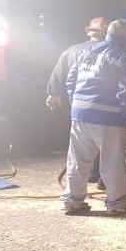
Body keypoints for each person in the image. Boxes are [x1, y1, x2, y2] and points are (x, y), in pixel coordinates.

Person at [60, 19, 126, 215]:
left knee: (78, 161)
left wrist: (77, 105)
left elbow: (71, 80)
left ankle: (72, 201)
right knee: (113, 162)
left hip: (80, 114)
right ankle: (117, 203)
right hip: (110, 117)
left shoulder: (87, 51)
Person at [46, 16, 109, 187]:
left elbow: (57, 78)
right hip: (106, 109)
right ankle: (104, 180)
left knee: (80, 149)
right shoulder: (114, 51)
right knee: (108, 147)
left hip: (78, 108)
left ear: (88, 30)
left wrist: (53, 95)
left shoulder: (71, 51)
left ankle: (81, 185)